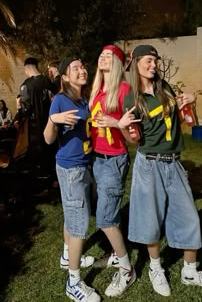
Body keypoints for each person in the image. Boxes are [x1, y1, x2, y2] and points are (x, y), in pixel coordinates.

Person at [119, 44, 202, 297]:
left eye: (155, 60)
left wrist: (191, 103)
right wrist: (122, 127)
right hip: (149, 164)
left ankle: (190, 271)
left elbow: (188, 122)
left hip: (173, 162)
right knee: (150, 218)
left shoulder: (165, 88)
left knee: (189, 217)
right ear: (136, 63)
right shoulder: (131, 97)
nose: (154, 64)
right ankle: (156, 268)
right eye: (148, 60)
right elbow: (134, 139)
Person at [44, 57, 100, 302]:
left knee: (72, 214)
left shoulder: (83, 99)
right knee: (79, 223)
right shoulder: (60, 100)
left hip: (83, 164)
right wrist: (52, 121)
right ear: (64, 77)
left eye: (82, 66)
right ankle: (73, 283)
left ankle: (67, 257)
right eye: (75, 68)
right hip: (71, 169)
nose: (82, 69)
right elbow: (48, 139)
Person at [89, 45, 136, 298]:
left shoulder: (124, 91)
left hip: (114, 160)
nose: (102, 57)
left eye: (108, 55)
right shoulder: (97, 91)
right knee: (107, 212)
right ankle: (117, 256)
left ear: (117, 63)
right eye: (101, 54)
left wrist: (117, 123)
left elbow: (134, 138)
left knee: (106, 218)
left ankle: (127, 270)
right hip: (97, 159)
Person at [20, 57, 56, 179]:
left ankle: (42, 179)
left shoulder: (26, 86)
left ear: (26, 68)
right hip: (51, 124)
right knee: (51, 151)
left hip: (35, 128)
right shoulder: (48, 82)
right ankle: (53, 178)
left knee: (38, 155)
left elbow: (26, 108)